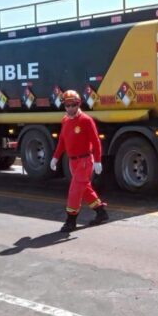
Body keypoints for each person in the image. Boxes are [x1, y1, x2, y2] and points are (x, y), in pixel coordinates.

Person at [50, 90, 108, 232]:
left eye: (73, 105)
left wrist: (98, 160)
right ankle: (101, 212)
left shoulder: (86, 120)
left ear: (79, 104)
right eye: (67, 105)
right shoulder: (65, 120)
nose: (70, 108)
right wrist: (55, 157)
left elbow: (96, 142)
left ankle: (71, 221)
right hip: (73, 162)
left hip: (84, 161)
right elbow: (62, 141)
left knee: (75, 191)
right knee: (85, 189)